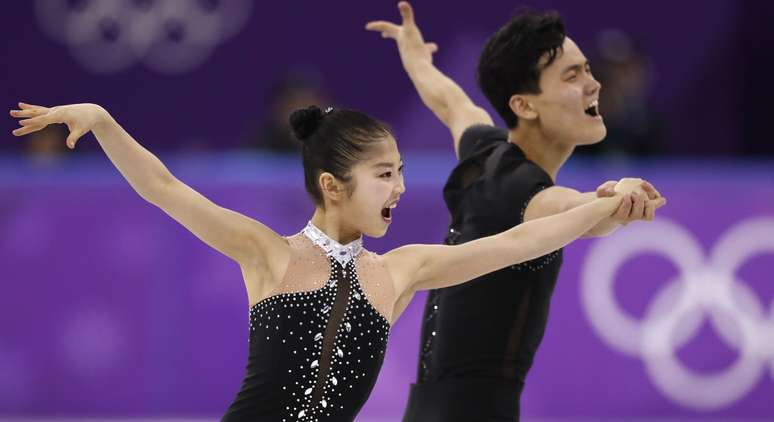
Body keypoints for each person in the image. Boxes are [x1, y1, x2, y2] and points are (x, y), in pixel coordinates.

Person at [11, 101, 641, 421]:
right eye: (384, 174)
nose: (399, 189)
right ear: (333, 186)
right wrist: (102, 121)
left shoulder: (399, 271)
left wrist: (598, 207)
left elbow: (513, 244)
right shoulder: (266, 253)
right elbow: (165, 187)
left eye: (401, 173)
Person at [367, 3, 666, 421]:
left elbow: (450, 103)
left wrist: (416, 58)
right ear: (525, 105)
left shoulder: (485, 150)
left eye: (588, 70)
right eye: (572, 75)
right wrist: (619, 197)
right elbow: (573, 210)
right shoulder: (524, 190)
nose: (594, 84)